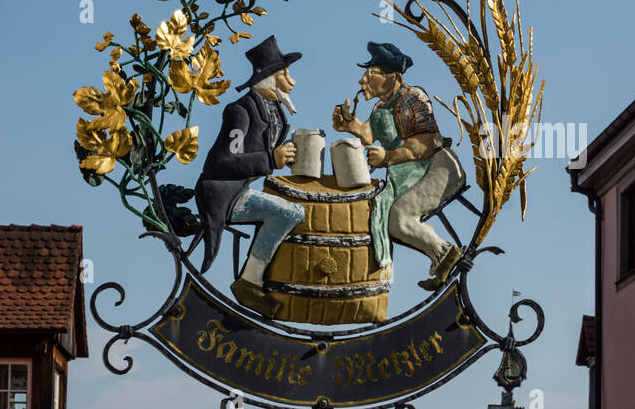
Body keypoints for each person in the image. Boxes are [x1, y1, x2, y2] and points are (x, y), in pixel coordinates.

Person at [332, 41, 466, 290]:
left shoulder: (413, 98)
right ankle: (437, 259)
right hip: (405, 174)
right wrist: (350, 125)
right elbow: (369, 135)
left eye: (370, 73)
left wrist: (387, 158)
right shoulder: (380, 106)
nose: (363, 80)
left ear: (391, 76)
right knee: (381, 208)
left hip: (437, 168)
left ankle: (444, 254)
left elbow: (425, 143)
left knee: (399, 217)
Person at [195, 36, 305, 319]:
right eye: (284, 74)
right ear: (269, 79)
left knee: (293, 206)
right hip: (223, 193)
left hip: (241, 188)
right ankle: (249, 282)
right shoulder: (240, 111)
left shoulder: (271, 110)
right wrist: (271, 159)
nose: (290, 81)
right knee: (290, 213)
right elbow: (224, 161)